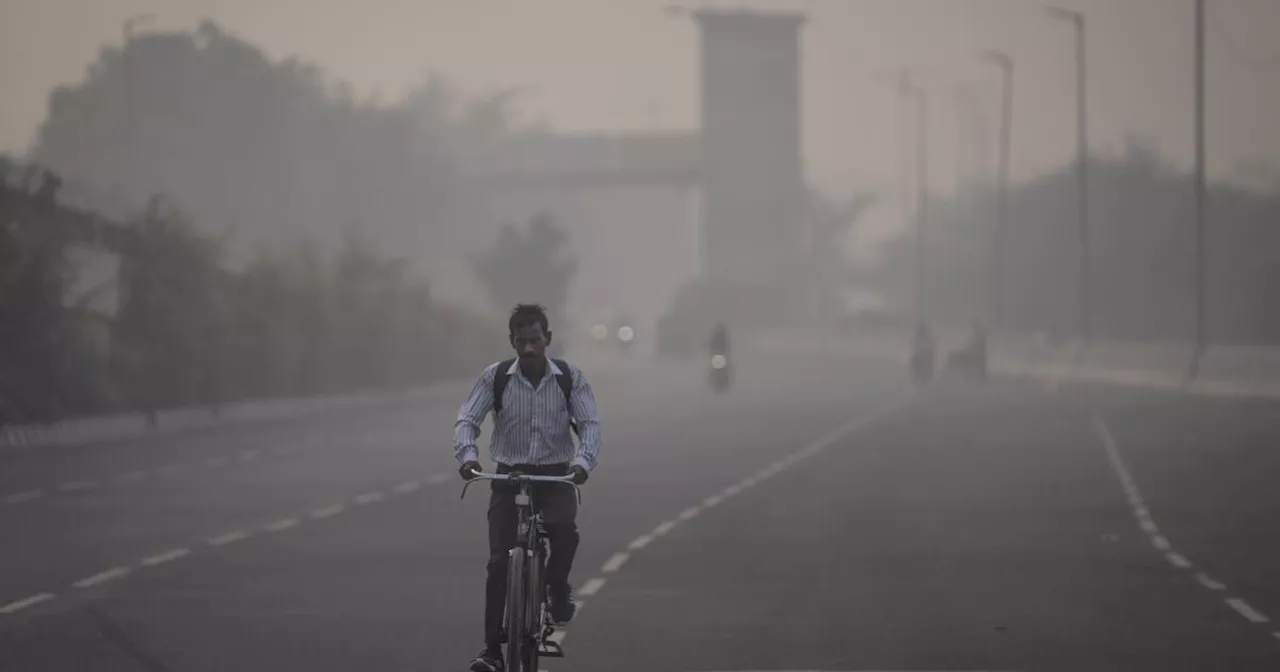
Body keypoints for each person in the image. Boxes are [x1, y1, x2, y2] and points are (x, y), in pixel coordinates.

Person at [455, 303, 602, 672]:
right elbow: (467, 419)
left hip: (556, 477)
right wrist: (468, 457)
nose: (529, 349)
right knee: (498, 563)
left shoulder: (570, 377)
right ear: (512, 342)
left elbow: (590, 425)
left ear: (548, 339)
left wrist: (582, 464)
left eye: (535, 340)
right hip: (510, 477)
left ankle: (556, 585)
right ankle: (491, 649)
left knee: (564, 530)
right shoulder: (496, 378)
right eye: (521, 342)